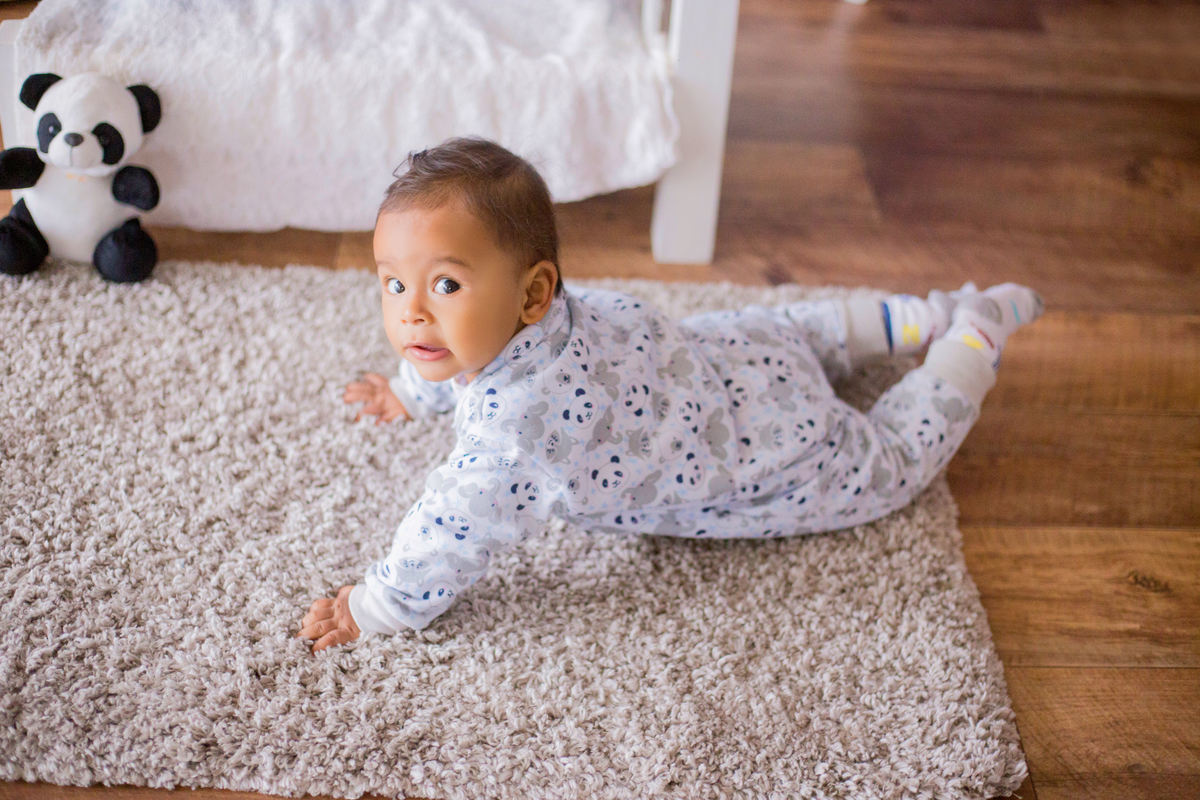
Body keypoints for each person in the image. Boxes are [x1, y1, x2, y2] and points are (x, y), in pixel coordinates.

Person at [296, 137, 1043, 651]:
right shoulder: (541, 316)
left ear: (533, 294)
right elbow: (450, 354)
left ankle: (969, 339)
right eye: (393, 282)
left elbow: (452, 532)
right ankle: (919, 314)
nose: (410, 311)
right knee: (790, 326)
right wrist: (413, 390)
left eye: (445, 283)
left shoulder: (514, 433)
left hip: (772, 448)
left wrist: (376, 606)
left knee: (889, 466)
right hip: (736, 356)